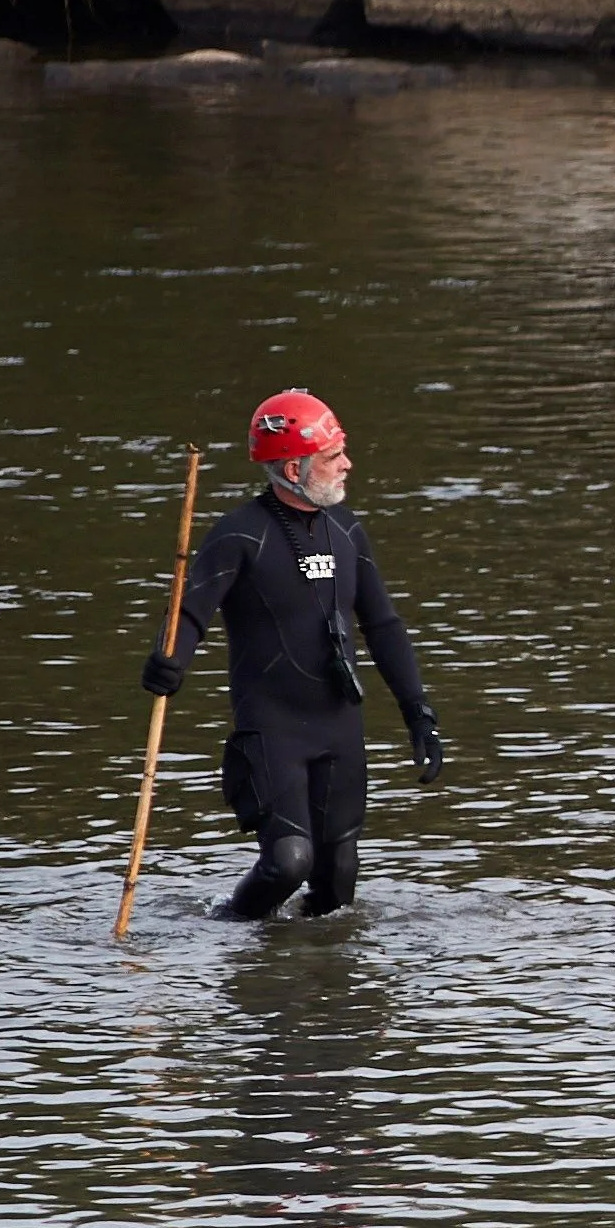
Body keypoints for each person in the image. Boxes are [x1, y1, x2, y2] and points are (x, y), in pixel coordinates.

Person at [140, 390, 445, 919]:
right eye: (333, 456)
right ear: (292, 467)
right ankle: (228, 936)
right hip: (272, 725)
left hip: (339, 724)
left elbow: (384, 625)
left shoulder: (347, 529)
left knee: (338, 881)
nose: (348, 464)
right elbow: (191, 612)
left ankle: (306, 980)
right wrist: (171, 661)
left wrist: (417, 712)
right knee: (288, 862)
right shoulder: (240, 534)